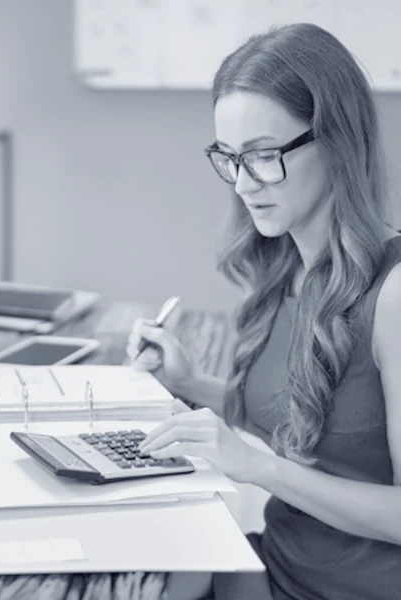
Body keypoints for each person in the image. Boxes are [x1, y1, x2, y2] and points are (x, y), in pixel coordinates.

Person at [127, 22, 401, 600]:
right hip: (276, 565)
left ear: (336, 140)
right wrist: (190, 383)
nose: (245, 184)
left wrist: (260, 469)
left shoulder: (394, 294)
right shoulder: (289, 267)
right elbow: (309, 429)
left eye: (265, 155)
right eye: (229, 158)